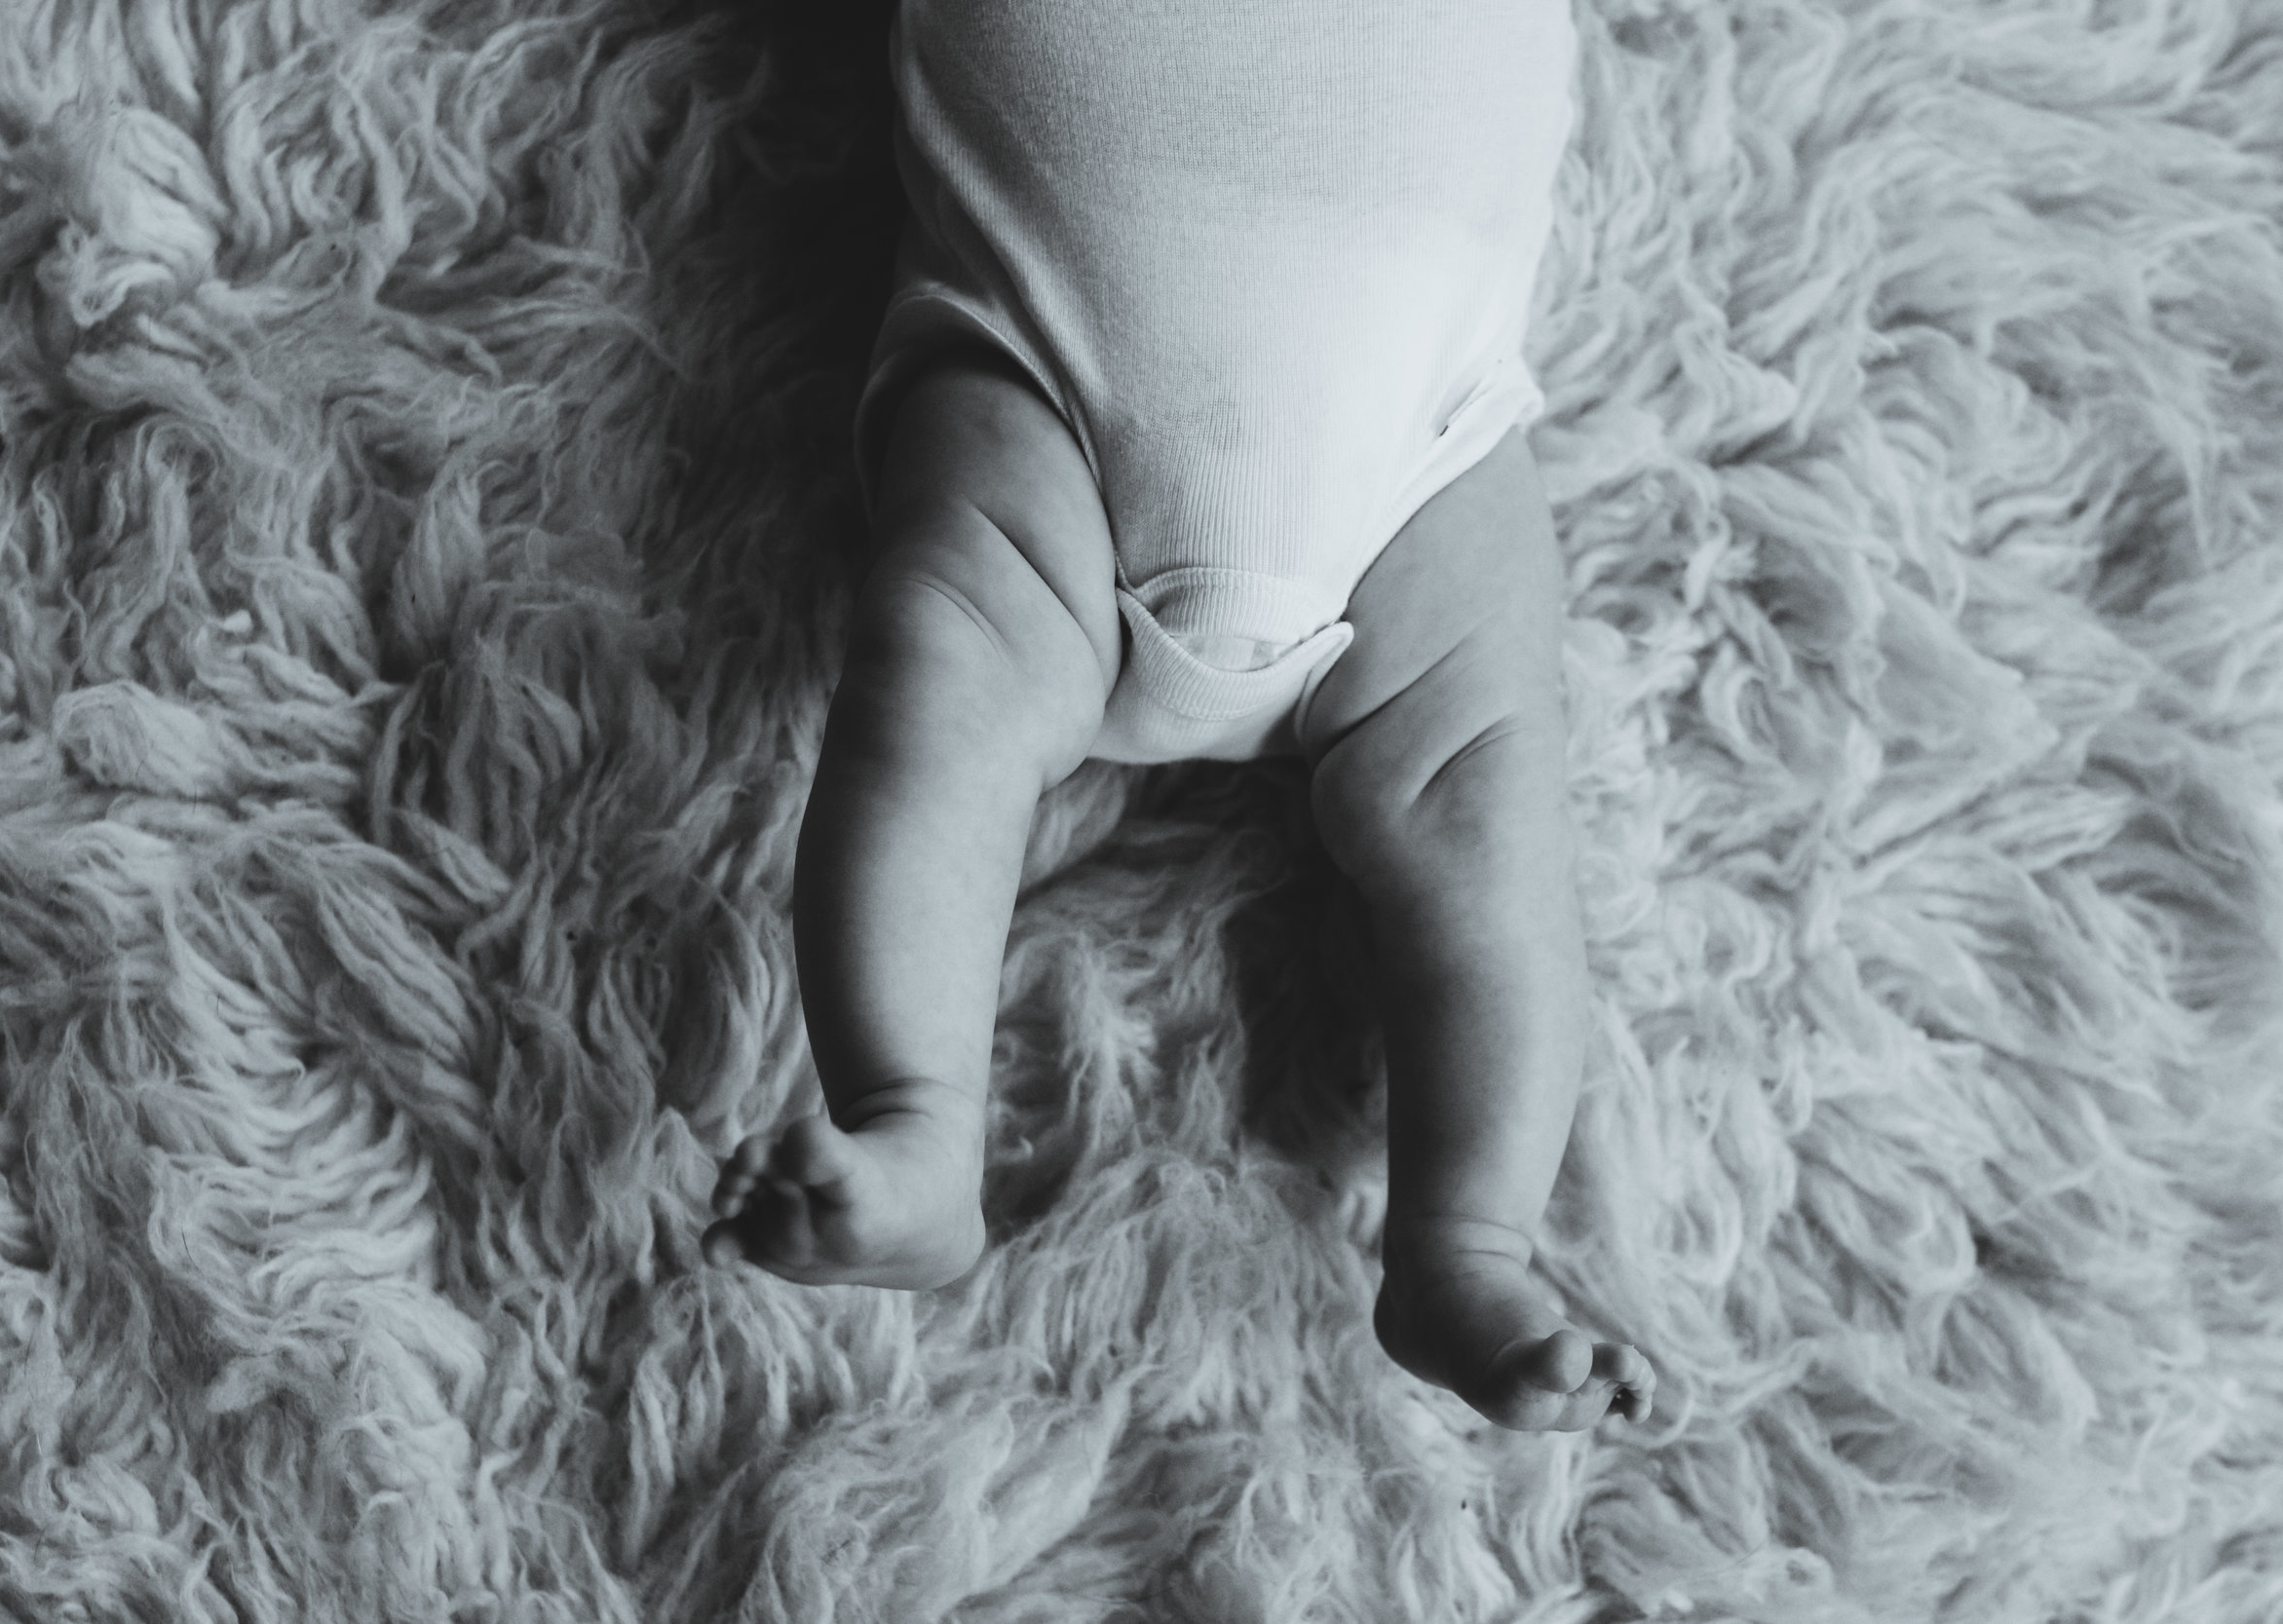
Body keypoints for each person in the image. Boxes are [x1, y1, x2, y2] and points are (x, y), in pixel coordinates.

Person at [704, 0, 1656, 1433]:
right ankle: (912, 1120)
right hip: (1047, 362)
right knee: (946, 673)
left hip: (1422, 450)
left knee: (1493, 823)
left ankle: (1468, 1244)